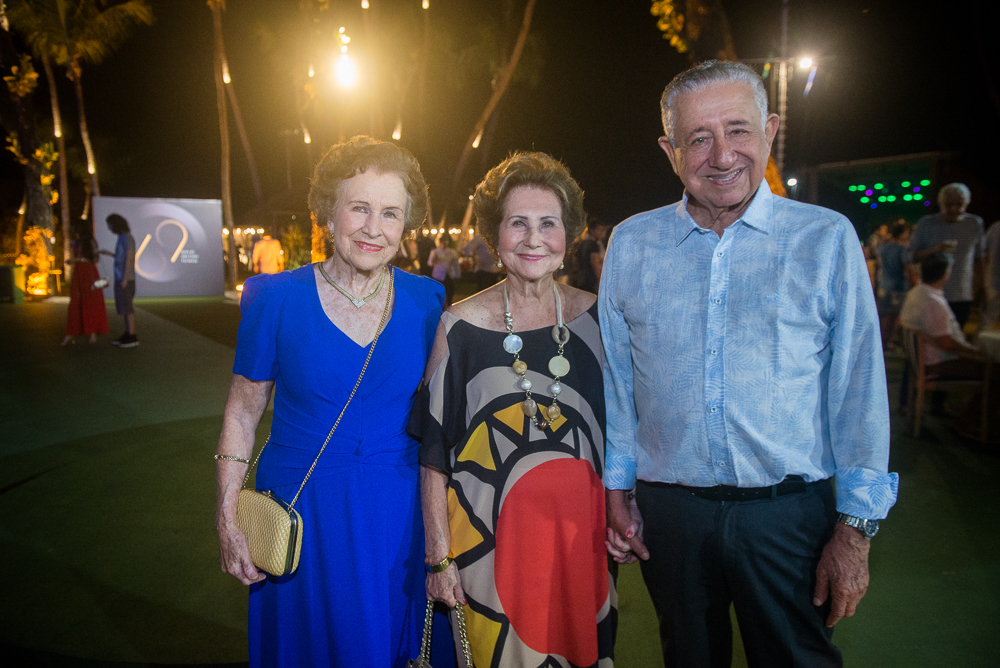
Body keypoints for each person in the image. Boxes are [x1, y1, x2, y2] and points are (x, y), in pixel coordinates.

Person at [600, 61, 898, 667]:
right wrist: (617, 488)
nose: (722, 155)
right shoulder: (632, 243)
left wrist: (856, 529)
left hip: (789, 516)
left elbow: (859, 387)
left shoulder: (825, 238)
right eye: (699, 138)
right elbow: (618, 381)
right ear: (670, 150)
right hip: (671, 517)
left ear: (770, 130)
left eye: (738, 130)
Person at [214, 136, 453, 668]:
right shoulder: (273, 298)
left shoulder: (427, 300)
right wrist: (227, 514)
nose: (374, 227)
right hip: (301, 512)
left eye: (390, 213)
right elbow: (241, 412)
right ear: (328, 211)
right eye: (360, 208)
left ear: (406, 223)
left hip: (396, 513)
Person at [411, 152, 617, 667]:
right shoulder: (459, 328)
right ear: (494, 235)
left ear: (568, 233)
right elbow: (433, 456)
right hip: (489, 549)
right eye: (517, 223)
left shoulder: (600, 319)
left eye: (548, 223)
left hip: (582, 543)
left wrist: (622, 511)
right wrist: (440, 557)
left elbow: (622, 435)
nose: (533, 238)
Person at [907, 183, 985, 328]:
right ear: (940, 203)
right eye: (949, 204)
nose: (954, 209)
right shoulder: (927, 224)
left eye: (959, 204)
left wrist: (982, 290)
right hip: (931, 294)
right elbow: (909, 256)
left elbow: (980, 259)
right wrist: (935, 249)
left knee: (955, 335)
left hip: (961, 293)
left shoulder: (974, 224)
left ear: (967, 203)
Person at [900, 253, 987, 379]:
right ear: (945, 274)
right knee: (991, 370)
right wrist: (973, 352)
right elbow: (946, 343)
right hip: (937, 363)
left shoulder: (915, 293)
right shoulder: (932, 301)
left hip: (924, 362)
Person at [62, 234, 109, 345]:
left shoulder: (91, 241)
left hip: (89, 273)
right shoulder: (75, 241)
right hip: (78, 273)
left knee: (91, 301)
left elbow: (96, 258)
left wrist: (77, 259)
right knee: (76, 301)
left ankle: (92, 331)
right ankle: (73, 332)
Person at [104, 213, 138, 348]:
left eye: (110, 225)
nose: (109, 228)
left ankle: (132, 337)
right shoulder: (122, 238)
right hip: (122, 278)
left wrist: (124, 278)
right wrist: (109, 253)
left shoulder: (127, 238)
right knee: (124, 307)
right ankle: (127, 333)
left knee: (128, 308)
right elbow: (121, 257)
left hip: (126, 280)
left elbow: (129, 258)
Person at [876, 221, 909, 349]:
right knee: (894, 316)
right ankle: (888, 341)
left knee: (883, 314)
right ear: (902, 234)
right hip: (898, 286)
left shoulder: (883, 248)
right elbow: (907, 268)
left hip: (883, 284)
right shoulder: (902, 249)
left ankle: (880, 340)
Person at [566, 218, 611, 294]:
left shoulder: (581, 243)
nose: (601, 232)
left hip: (581, 281)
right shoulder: (593, 245)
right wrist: (600, 282)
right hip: (591, 282)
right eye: (599, 229)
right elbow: (595, 265)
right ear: (592, 230)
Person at [428, 235, 461, 306]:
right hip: (438, 275)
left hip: (449, 274)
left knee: (450, 293)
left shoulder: (452, 252)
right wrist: (434, 260)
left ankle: (449, 307)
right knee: (439, 293)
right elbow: (429, 263)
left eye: (446, 241)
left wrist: (457, 274)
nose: (445, 243)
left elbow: (455, 264)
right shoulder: (435, 251)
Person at [983, 220, 1000, 331]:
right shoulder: (996, 228)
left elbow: (985, 252)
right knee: (987, 320)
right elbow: (984, 253)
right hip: (994, 282)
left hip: (992, 281)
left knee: (987, 321)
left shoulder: (995, 227)